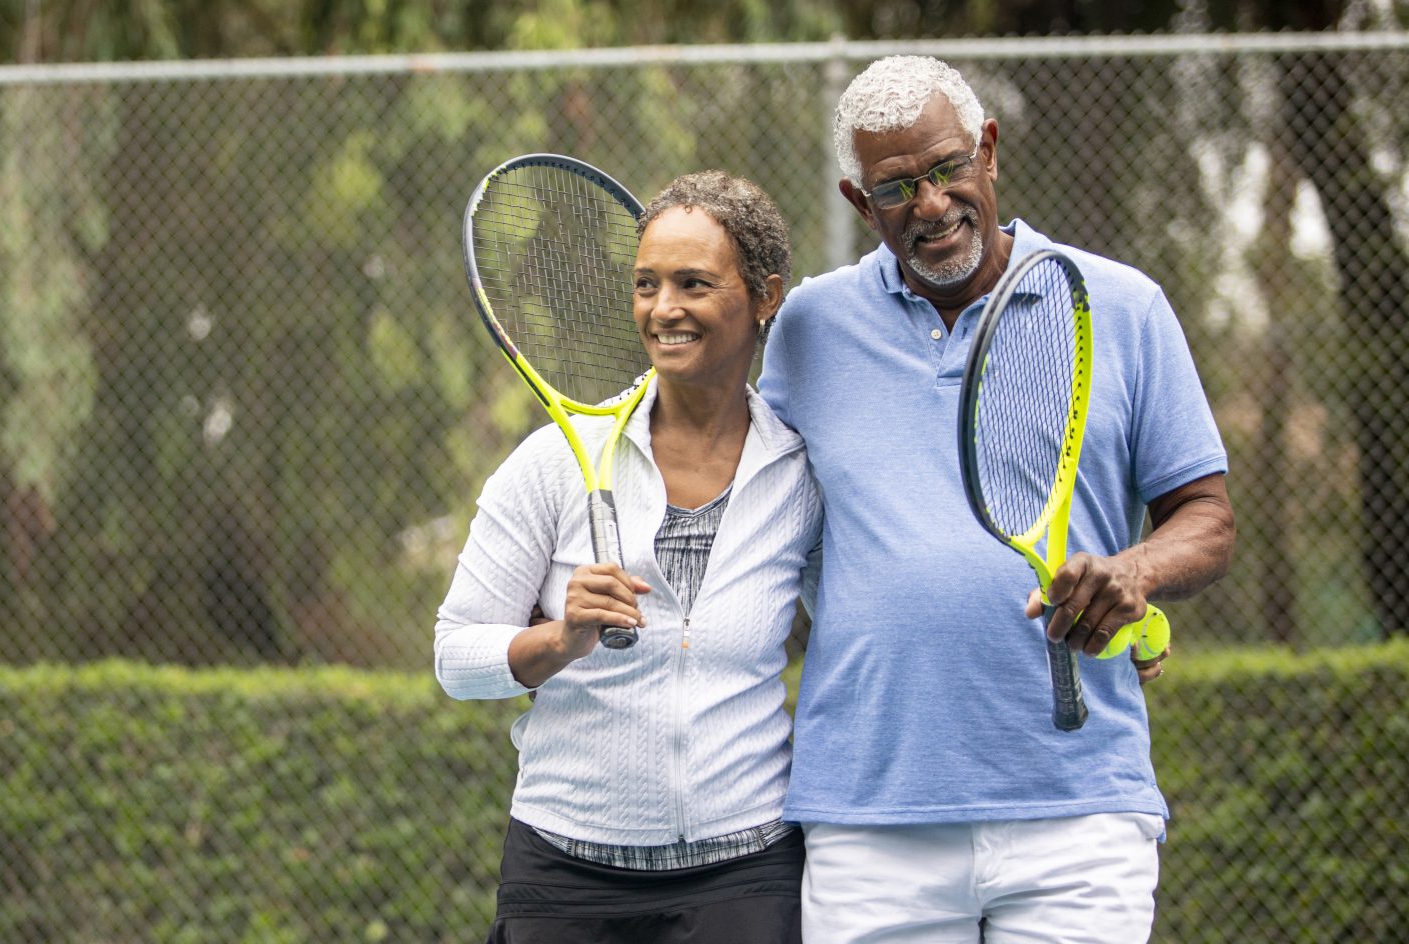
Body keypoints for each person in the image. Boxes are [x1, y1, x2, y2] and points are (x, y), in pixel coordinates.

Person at [757, 55, 1235, 943]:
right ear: (860, 203)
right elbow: (756, 517)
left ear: (989, 150)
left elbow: (1205, 517)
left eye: (948, 168)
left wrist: (1134, 573)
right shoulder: (809, 330)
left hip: (1079, 812)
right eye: (897, 187)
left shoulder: (1120, 305)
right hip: (869, 821)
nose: (931, 204)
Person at [436, 170, 820, 943]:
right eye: (646, 284)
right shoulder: (553, 463)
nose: (662, 308)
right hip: (564, 875)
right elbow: (455, 658)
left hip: (745, 875)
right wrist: (559, 639)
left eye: (692, 283)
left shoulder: (801, 473)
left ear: (766, 296)